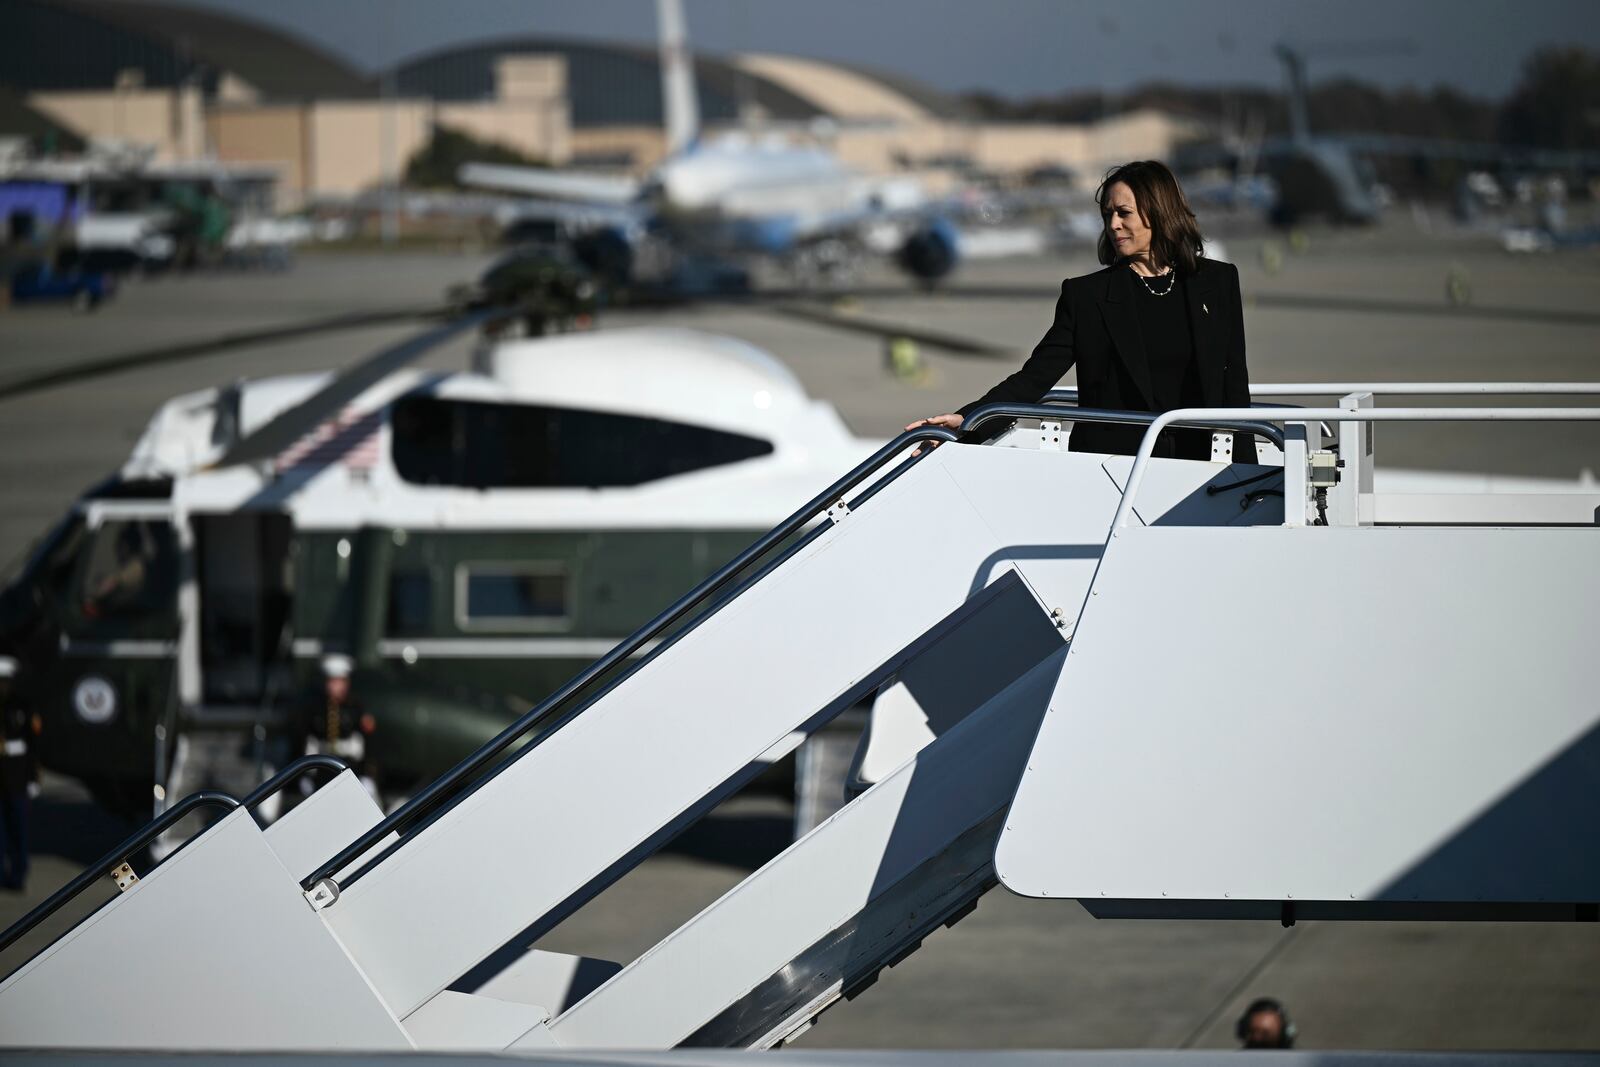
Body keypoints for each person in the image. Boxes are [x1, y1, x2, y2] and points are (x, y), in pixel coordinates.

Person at [907, 160, 1254, 462]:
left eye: (1124, 213)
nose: (1113, 224)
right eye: (1108, 215)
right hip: (1113, 470)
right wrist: (966, 422)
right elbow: (1034, 378)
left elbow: (1234, 387)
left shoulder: (1218, 282)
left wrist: (1253, 477)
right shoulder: (1087, 296)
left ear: (1160, 212)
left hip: (1203, 468)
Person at [0, 656, 36, 891]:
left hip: (16, 779)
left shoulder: (21, 705)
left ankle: (19, 873)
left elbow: (32, 744)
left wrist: (33, 778)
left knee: (18, 830)